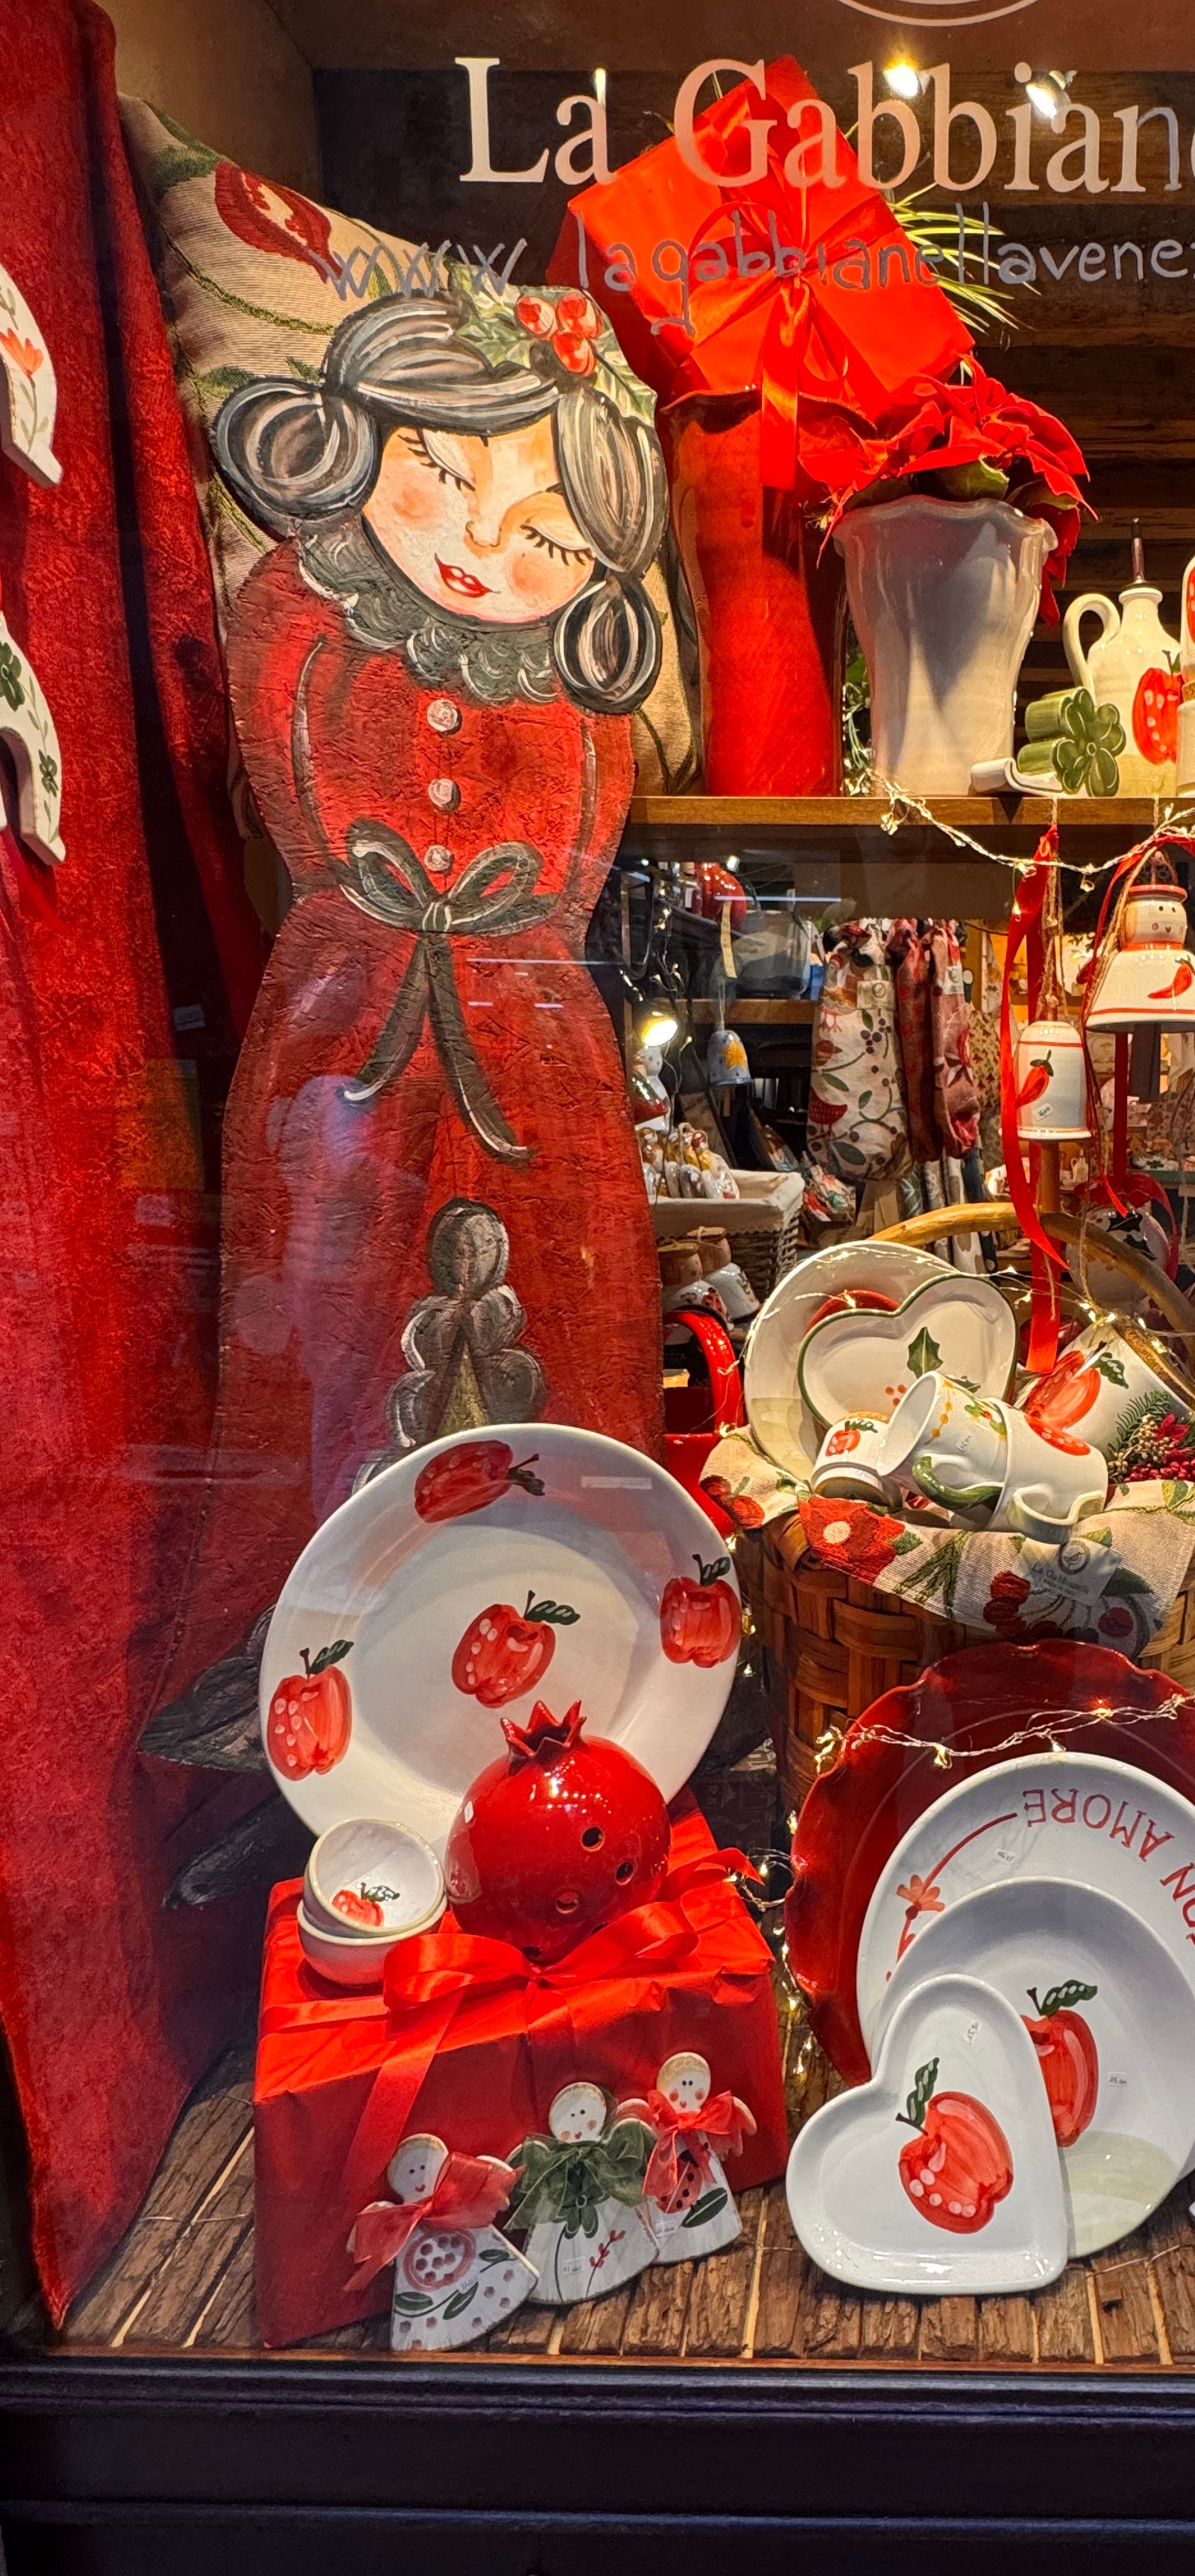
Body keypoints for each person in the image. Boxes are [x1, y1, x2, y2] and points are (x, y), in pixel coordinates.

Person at [164, 279, 671, 1692]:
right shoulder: (302, 608)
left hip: (533, 1028)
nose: (483, 543)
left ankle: (574, 1632)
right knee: (330, 1309)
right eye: (439, 477)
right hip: (344, 1012)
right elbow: (281, 753)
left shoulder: (581, 685)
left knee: (556, 1297)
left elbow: (575, 843)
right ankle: (318, 1648)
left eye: (542, 530)